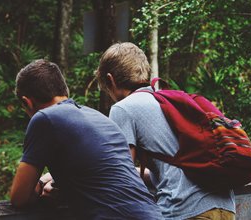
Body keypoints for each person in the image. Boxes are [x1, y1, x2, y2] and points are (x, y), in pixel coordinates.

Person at [96, 42, 236, 220]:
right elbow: (171, 166)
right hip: (225, 208)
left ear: (110, 79)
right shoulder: (168, 102)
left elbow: (121, 174)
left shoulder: (123, 109)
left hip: (185, 210)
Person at [10, 59, 163, 219]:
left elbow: (19, 198)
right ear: (64, 91)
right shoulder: (100, 119)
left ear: (27, 102)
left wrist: (40, 183)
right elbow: (102, 172)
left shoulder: (44, 118)